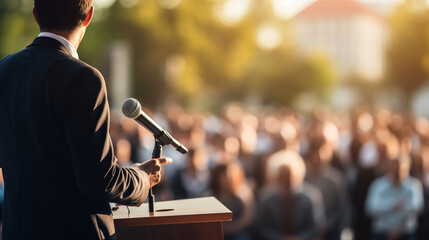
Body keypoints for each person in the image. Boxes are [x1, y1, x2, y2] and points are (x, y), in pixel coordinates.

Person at [0, 1, 171, 239]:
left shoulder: (5, 69)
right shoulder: (82, 77)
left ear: (36, 15)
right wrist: (142, 178)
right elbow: (99, 180)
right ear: (89, 15)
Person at [366, 154, 423, 240]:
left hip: (406, 233)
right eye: (395, 169)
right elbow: (371, 208)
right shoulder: (378, 185)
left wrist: (398, 229)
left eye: (401, 170)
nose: (398, 173)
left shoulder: (414, 185)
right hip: (381, 232)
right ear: (389, 168)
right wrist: (393, 205)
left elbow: (416, 207)